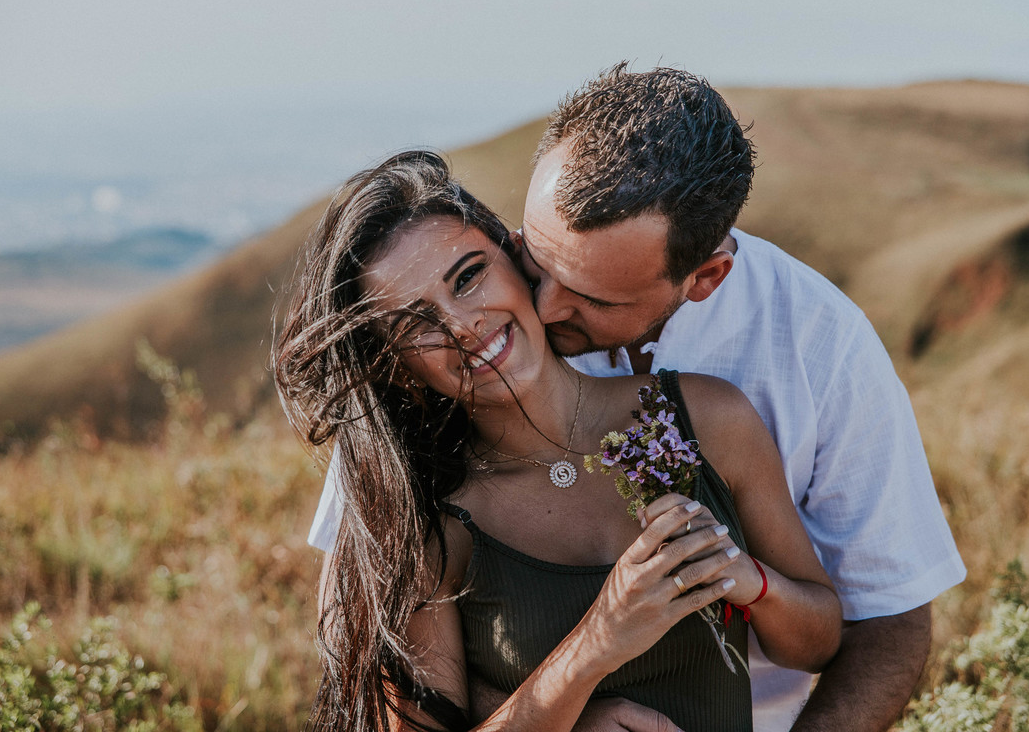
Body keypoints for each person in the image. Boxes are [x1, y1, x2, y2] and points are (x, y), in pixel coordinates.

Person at [308, 65, 966, 732]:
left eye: (591, 297)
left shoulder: (809, 353)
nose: (541, 302)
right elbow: (364, 635)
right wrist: (567, 698)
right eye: (534, 257)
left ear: (703, 278)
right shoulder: (416, 446)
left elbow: (884, 615)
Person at [276, 151, 842, 732]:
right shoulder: (426, 525)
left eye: (468, 277)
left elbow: (819, 641)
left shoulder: (706, 418)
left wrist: (748, 579)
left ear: (517, 257)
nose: (463, 325)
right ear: (396, 366)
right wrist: (590, 654)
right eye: (415, 323)